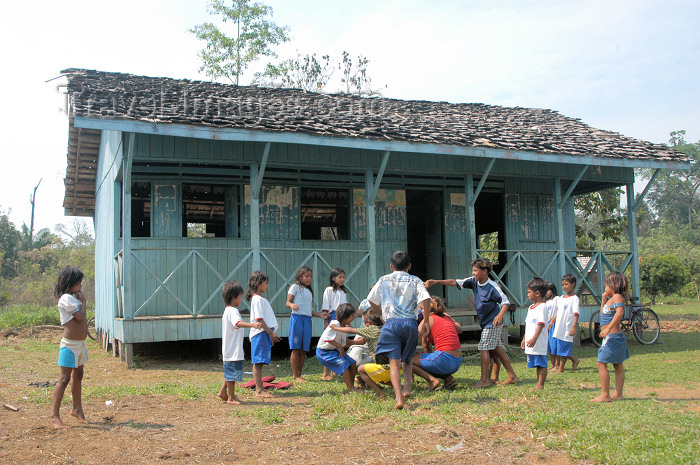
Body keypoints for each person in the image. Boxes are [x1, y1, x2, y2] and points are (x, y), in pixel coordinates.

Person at [426, 257, 519, 388]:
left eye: (475, 270)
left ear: (485, 271)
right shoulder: (473, 282)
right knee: (497, 348)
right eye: (473, 270)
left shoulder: (492, 286)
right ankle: (512, 376)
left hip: (492, 322)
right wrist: (437, 281)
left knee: (483, 348)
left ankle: (485, 380)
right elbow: (455, 282)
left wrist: (500, 315)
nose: (473, 273)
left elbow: (505, 302)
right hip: (485, 322)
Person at [367, 250, 431, 409]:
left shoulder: (383, 280)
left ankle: (399, 398)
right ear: (409, 266)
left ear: (391, 266)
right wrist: (427, 321)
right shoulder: (415, 280)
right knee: (407, 358)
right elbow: (426, 299)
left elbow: (370, 299)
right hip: (410, 323)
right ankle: (408, 387)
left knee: (394, 363)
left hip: (391, 324)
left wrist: (381, 313)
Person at [51, 265, 88, 429]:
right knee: (64, 378)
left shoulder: (73, 298)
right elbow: (79, 317)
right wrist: (85, 301)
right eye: (78, 283)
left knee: (78, 375)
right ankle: (55, 416)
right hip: (70, 345)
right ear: (70, 283)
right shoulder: (66, 298)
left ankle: (77, 408)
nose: (80, 286)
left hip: (80, 344)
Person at [218, 281, 263, 405]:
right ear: (234, 298)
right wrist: (253, 324)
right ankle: (231, 397)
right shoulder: (233, 311)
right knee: (232, 374)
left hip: (229, 349)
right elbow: (237, 323)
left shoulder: (227, 311)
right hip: (233, 349)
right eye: (240, 297)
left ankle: (223, 391)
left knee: (229, 372)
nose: (241, 300)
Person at [330, 307, 386, 397]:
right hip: (392, 364)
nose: (365, 325)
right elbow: (363, 341)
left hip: (382, 366)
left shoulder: (371, 330)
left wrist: (336, 328)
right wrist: (350, 342)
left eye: (366, 322)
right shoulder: (384, 328)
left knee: (360, 369)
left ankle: (379, 392)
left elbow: (351, 331)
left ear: (371, 322)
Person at [592, 271, 630, 403]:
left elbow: (619, 313)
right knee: (617, 364)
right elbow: (603, 314)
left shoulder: (618, 297)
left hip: (612, 337)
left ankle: (605, 394)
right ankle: (618, 393)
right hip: (613, 337)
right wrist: (603, 301)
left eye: (606, 286)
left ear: (613, 285)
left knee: (601, 363)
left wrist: (608, 329)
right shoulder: (611, 300)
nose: (605, 289)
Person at [411, 296, 463, 391]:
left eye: (422, 309)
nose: (421, 312)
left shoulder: (428, 319)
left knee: (407, 361)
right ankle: (448, 378)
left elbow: (416, 337)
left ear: (428, 309)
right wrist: (450, 318)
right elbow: (459, 329)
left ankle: (432, 381)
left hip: (444, 359)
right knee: (428, 361)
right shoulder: (446, 317)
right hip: (457, 360)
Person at [286, 266, 327, 383]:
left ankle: (300, 374)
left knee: (304, 349)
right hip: (297, 319)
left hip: (307, 320)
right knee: (296, 348)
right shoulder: (295, 287)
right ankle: (295, 376)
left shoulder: (309, 291)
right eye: (307, 276)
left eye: (310, 276)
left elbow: (308, 309)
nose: (309, 279)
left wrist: (320, 315)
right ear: (300, 276)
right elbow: (288, 302)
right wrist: (292, 305)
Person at [246, 271, 281, 398]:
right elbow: (260, 319)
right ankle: (259, 390)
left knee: (260, 362)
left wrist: (270, 333)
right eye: (265, 284)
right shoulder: (257, 300)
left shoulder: (260, 299)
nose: (267, 286)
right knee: (258, 362)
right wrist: (270, 333)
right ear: (258, 284)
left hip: (263, 334)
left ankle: (260, 388)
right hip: (260, 333)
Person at [315, 303, 360, 393]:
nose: (353, 318)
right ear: (345, 316)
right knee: (343, 364)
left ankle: (351, 386)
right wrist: (339, 347)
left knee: (352, 363)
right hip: (324, 352)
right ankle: (350, 389)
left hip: (334, 350)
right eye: (352, 316)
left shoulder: (345, 327)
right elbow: (328, 339)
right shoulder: (335, 323)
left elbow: (344, 340)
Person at [320, 268, 348, 380]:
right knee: (330, 344)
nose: (342, 280)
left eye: (343, 277)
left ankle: (334, 371)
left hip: (342, 319)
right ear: (333, 278)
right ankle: (325, 373)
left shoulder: (343, 292)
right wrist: (326, 322)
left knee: (339, 343)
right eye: (340, 277)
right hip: (332, 317)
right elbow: (326, 308)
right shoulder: (329, 290)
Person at [521, 277, 549, 390]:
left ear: (537, 293)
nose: (528, 295)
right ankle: (538, 383)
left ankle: (540, 384)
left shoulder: (542, 307)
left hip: (538, 341)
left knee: (541, 363)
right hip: (531, 340)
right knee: (537, 363)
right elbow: (528, 325)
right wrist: (524, 338)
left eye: (529, 292)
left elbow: (541, 324)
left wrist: (534, 338)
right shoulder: (531, 308)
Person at [551, 274, 580, 373]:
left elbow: (576, 314)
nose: (565, 287)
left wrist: (573, 327)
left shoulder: (574, 299)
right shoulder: (561, 298)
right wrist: (552, 321)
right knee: (559, 347)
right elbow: (558, 312)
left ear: (573, 284)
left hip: (567, 327)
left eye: (567, 284)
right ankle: (574, 360)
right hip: (559, 326)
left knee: (564, 348)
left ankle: (561, 368)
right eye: (563, 285)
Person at [346, 299, 373, 366]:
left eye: (368, 322)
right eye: (365, 322)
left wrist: (350, 342)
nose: (366, 324)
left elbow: (362, 341)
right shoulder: (365, 302)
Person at [545, 282, 559, 370]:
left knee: (554, 345)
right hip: (547, 325)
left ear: (552, 290)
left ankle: (557, 365)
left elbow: (559, 312)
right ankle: (552, 364)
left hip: (554, 324)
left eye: (548, 290)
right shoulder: (546, 302)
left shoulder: (556, 299)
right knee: (549, 345)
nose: (546, 292)